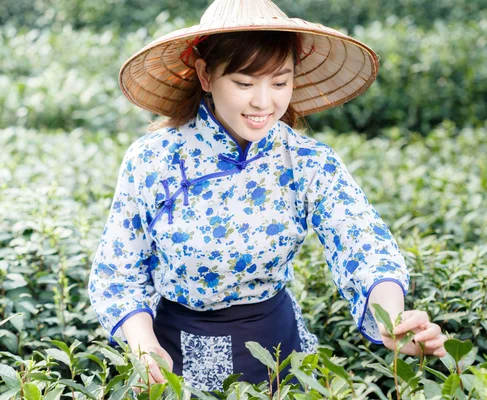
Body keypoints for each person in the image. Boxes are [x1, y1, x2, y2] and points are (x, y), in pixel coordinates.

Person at [87, 0, 447, 393]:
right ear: (206, 74)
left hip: (281, 357)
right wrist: (144, 346)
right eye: (244, 83)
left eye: (279, 83)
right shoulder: (154, 159)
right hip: (174, 360)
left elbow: (362, 243)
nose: (264, 102)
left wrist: (391, 319)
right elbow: (117, 272)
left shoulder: (307, 161)